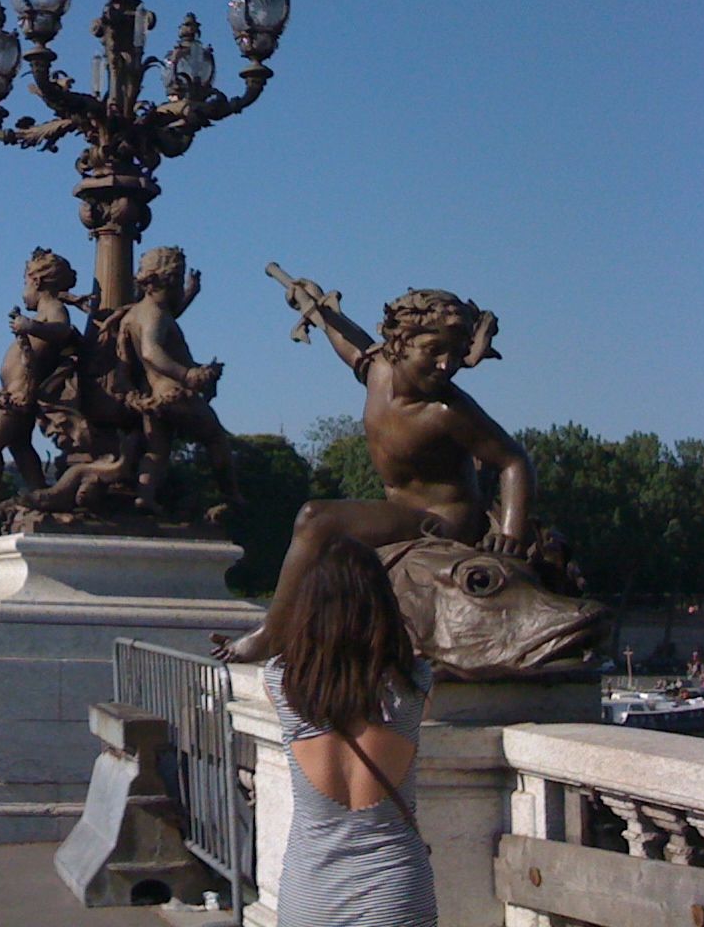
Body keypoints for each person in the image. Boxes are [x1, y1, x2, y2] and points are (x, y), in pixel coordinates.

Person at [226, 282, 533, 663]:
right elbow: (344, 336)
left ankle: (273, 634)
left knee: (315, 518)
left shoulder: (448, 411)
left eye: (455, 354)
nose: (447, 365)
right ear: (399, 344)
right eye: (434, 350)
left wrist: (511, 534)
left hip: (444, 524)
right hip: (404, 513)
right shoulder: (377, 371)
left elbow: (514, 461)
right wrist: (312, 307)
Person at [252, 533, 436, 927]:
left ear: (309, 606)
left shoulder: (280, 682)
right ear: (382, 604)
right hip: (394, 891)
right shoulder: (415, 682)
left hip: (311, 895)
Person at [120, 246, 242, 519]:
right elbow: (151, 351)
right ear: (168, 280)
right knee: (215, 437)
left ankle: (145, 496)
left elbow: (170, 314)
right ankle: (231, 495)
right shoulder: (155, 315)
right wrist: (188, 375)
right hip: (174, 392)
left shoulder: (138, 314)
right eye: (178, 282)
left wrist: (192, 292)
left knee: (157, 452)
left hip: (153, 397)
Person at [0, 248, 93, 519]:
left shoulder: (52, 309)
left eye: (25, 283)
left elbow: (62, 330)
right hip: (15, 394)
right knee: (21, 447)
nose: (24, 291)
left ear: (37, 282)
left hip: (17, 397)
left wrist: (31, 327)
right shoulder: (49, 308)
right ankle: (39, 491)